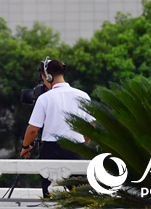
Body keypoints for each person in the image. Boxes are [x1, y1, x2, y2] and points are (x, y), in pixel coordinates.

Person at [20, 58, 93, 198]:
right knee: (79, 198)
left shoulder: (45, 98)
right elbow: (91, 125)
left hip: (51, 150)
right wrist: (85, 142)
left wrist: (25, 146)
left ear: (46, 76)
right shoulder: (83, 96)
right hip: (76, 150)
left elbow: (33, 130)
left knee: (50, 197)